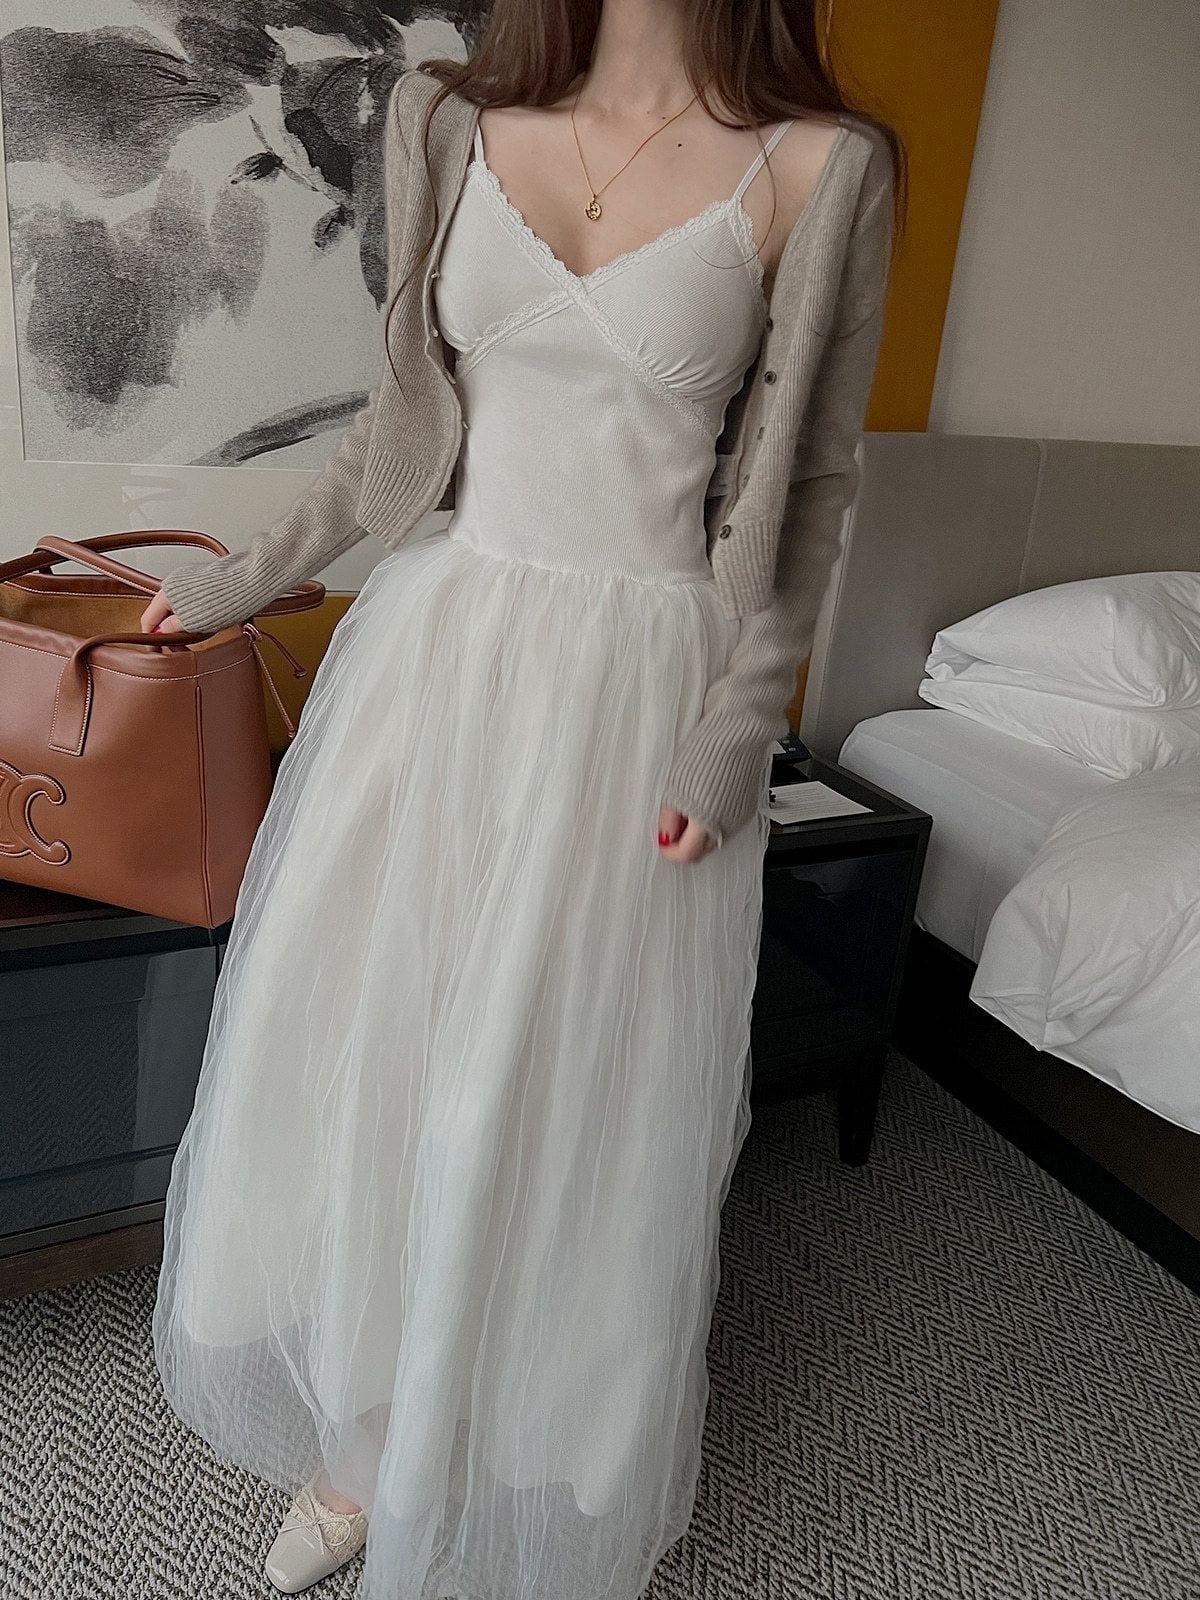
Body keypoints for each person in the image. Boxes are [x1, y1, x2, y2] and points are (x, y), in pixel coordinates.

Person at [146, 2, 903, 1596]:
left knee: (554, 1092)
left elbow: (812, 488)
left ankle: (495, 1444)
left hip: (641, 694)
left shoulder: (823, 168)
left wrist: (737, 731)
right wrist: (243, 576)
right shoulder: (440, 120)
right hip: (442, 654)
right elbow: (397, 425)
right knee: (388, 1050)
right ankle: (368, 1446)